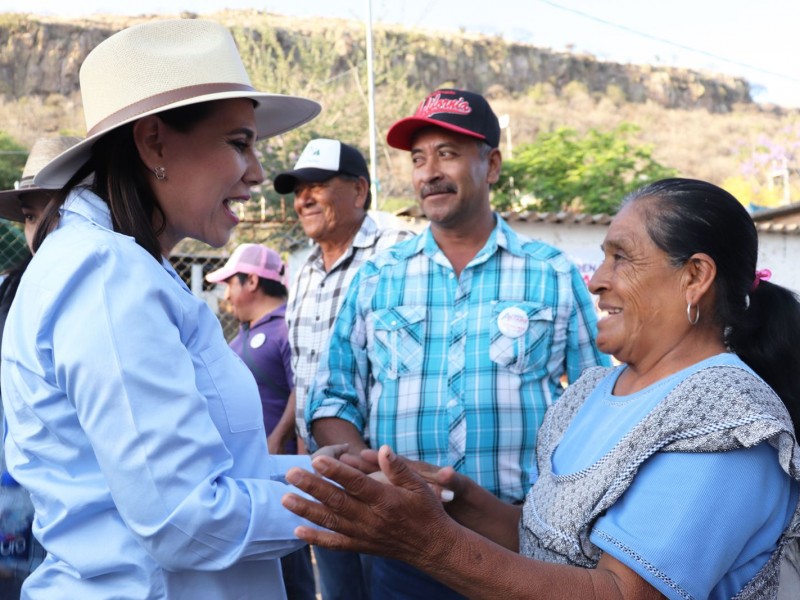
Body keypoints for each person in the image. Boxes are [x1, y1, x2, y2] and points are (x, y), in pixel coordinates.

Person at [282, 177, 800, 599]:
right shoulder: (595, 390)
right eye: (603, 257)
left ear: (695, 277)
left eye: (622, 257)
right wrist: (450, 498)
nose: (597, 279)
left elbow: (622, 594)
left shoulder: (728, 420)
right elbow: (544, 542)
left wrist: (429, 545)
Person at [0, 19, 341, 600]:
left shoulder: (124, 268)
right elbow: (185, 519)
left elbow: (210, 476)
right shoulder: (106, 275)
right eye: (238, 143)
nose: (256, 173)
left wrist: (332, 479)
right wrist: (352, 511)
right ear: (155, 142)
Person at [304, 89, 609, 598]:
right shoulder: (381, 276)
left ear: (491, 165)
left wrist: (557, 509)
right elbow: (335, 395)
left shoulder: (549, 273)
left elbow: (594, 401)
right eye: (418, 159)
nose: (429, 173)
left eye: (447, 154)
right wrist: (369, 475)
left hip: (519, 539)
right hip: (405, 544)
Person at [273, 137, 414, 600]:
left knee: (390, 583)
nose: (304, 199)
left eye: (317, 185)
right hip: (321, 467)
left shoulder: (398, 251)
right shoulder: (304, 267)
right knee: (337, 589)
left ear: (358, 190)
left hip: (378, 466)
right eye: (298, 190)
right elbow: (306, 369)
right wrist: (285, 434)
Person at [206, 243, 316, 599]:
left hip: (282, 474)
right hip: (246, 476)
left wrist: (279, 436)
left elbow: (301, 389)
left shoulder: (286, 328)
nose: (227, 294)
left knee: (292, 569)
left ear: (251, 281)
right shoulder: (240, 334)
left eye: (230, 284)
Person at [0, 136, 80, 600]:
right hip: (14, 496)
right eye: (31, 216)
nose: (41, 230)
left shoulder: (118, 290)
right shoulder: (10, 293)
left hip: (71, 520)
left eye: (57, 212)